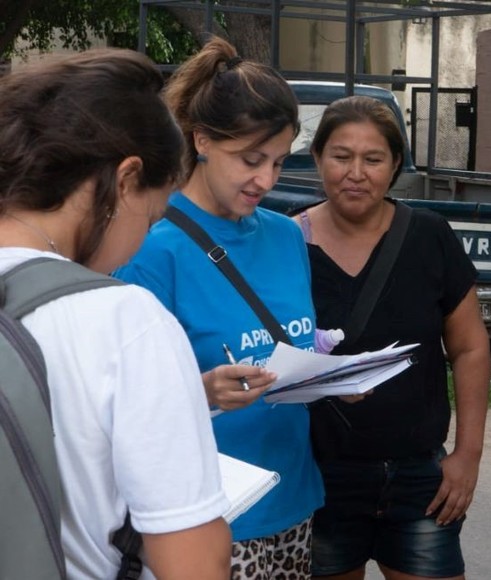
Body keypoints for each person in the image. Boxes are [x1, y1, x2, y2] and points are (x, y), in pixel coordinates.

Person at [0, 49, 231, 578]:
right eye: (151, 217)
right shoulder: (123, 320)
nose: (137, 245)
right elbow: (193, 566)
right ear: (125, 179)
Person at [114, 37, 323, 579]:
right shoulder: (149, 246)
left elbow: (295, 343)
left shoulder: (286, 237)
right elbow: (124, 400)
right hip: (207, 516)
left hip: (294, 500)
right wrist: (202, 391)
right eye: (251, 160)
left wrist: (335, 372)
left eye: (279, 162)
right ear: (202, 139)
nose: (267, 180)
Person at [293, 95, 491, 580]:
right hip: (319, 475)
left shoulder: (429, 236)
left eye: (373, 158)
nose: (355, 172)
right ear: (318, 158)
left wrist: (467, 456)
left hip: (418, 475)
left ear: (396, 165)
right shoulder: (285, 241)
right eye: (341, 156)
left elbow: (469, 347)